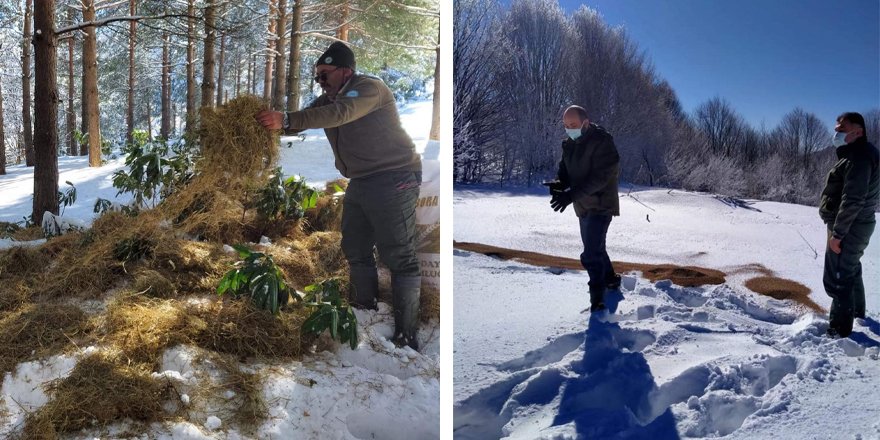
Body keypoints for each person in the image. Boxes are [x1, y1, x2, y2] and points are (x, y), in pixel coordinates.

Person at [256, 42, 423, 350]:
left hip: (393, 176)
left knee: (399, 255)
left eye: (325, 74)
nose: (321, 81)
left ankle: (406, 334)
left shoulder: (367, 89)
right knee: (355, 247)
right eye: (317, 76)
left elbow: (339, 114)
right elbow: (306, 116)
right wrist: (269, 126)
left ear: (346, 70)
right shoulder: (330, 99)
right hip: (361, 180)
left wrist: (289, 119)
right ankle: (365, 308)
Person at [546, 105, 622, 312]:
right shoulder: (570, 144)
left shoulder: (603, 142)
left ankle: (597, 300)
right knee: (596, 247)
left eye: (573, 125)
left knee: (590, 254)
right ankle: (612, 280)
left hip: (601, 204)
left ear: (585, 123)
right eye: (566, 126)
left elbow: (600, 178)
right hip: (583, 205)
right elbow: (565, 171)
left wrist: (570, 195)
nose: (569, 129)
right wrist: (559, 184)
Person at [819, 112, 879, 338]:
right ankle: (857, 313)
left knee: (839, 276)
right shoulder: (858, 153)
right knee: (851, 268)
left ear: (858, 131)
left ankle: (839, 331)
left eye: (842, 129)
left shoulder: (860, 158)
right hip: (855, 224)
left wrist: (838, 234)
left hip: (850, 226)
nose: (836, 133)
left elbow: (853, 199)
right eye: (836, 128)